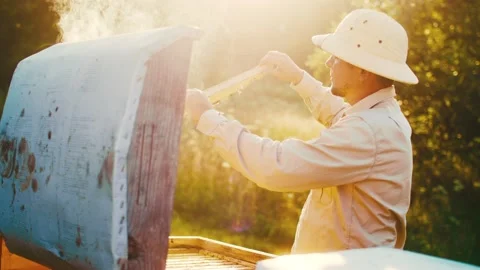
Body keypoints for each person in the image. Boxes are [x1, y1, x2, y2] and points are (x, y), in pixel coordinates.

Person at [184, 8, 419, 254]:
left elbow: (278, 166)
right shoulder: (379, 117)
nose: (329, 62)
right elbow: (341, 115)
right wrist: (297, 78)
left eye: (337, 57)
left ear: (363, 70)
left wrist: (208, 118)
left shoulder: (369, 131)